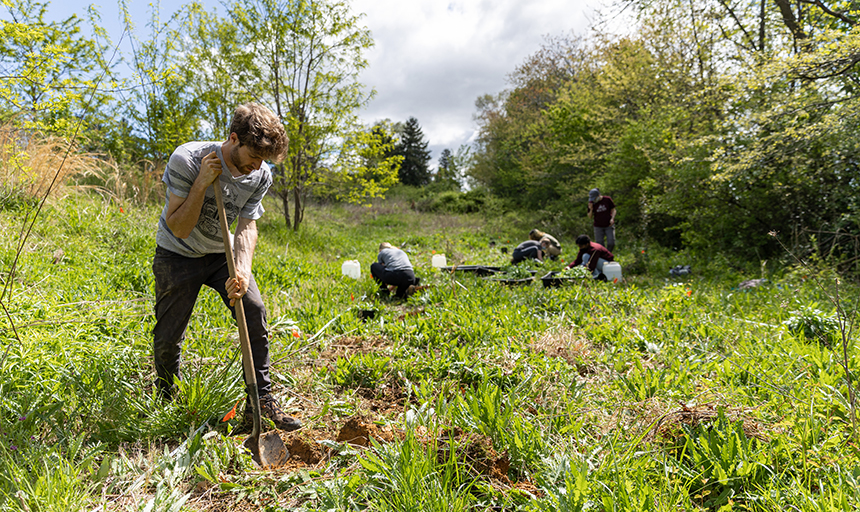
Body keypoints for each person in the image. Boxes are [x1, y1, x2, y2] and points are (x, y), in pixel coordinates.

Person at [152, 103, 301, 432]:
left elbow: (247, 225)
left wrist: (242, 271)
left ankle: (261, 403)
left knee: (253, 309)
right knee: (168, 336)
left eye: (263, 161)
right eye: (253, 157)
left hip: (223, 254)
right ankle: (167, 399)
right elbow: (179, 227)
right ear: (234, 139)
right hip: (177, 253)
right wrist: (202, 184)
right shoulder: (187, 160)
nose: (256, 167)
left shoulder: (260, 174)